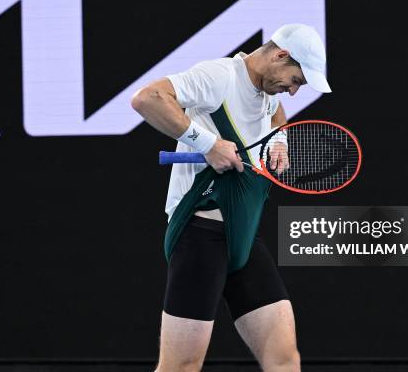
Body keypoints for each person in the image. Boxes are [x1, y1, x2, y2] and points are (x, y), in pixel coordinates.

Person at [131, 23, 331, 372]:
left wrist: (278, 140)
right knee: (181, 367)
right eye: (296, 80)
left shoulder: (266, 88)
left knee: (284, 360)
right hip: (199, 238)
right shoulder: (219, 76)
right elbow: (147, 98)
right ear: (282, 56)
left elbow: (274, 111)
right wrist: (207, 144)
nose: (294, 91)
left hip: (243, 237)